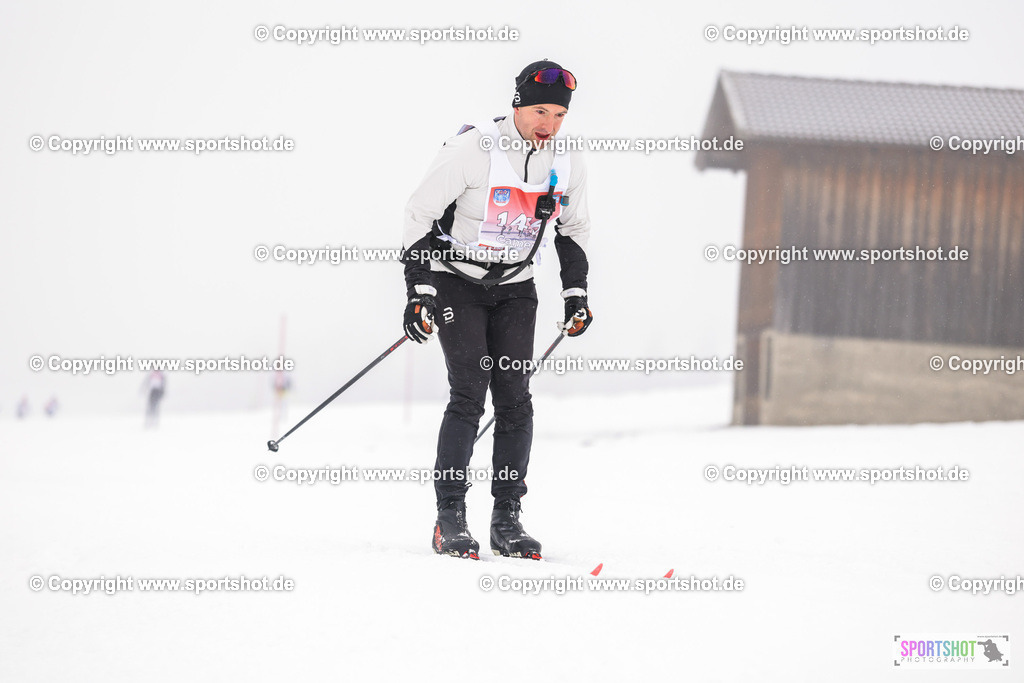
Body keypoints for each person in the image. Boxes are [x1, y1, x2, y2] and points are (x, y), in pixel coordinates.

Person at [401, 59, 593, 560]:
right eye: (538, 110)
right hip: (456, 281)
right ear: (517, 105)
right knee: (469, 393)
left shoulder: (566, 159)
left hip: (515, 287)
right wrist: (418, 289)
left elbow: (572, 230)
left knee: (514, 399)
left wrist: (576, 292)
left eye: (557, 114)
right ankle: (450, 519)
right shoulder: (474, 148)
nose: (547, 123)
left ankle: (507, 518)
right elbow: (419, 213)